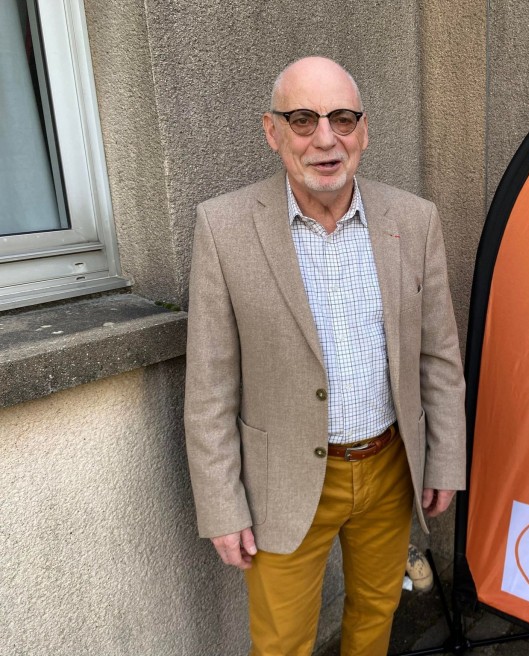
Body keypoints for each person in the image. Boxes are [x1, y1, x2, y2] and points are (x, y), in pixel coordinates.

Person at [184, 56, 466, 655]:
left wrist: (444, 460)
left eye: (342, 119)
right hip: (281, 480)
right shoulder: (224, 228)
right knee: (283, 641)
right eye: (303, 120)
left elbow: (438, 356)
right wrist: (222, 505)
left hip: (390, 467)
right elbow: (209, 388)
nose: (325, 139)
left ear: (364, 131)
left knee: (376, 613)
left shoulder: (414, 220)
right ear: (273, 131)